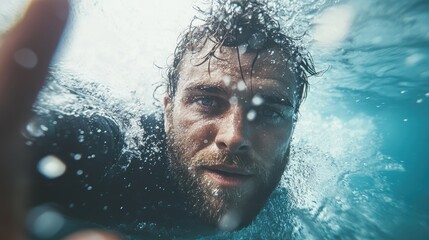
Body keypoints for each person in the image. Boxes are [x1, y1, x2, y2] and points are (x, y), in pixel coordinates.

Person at [1, 0, 316, 239]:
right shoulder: (108, 149)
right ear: (167, 112)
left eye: (270, 112)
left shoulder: (286, 197)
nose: (234, 136)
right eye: (207, 101)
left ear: (292, 128)